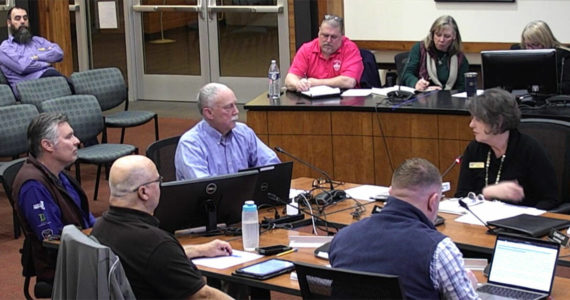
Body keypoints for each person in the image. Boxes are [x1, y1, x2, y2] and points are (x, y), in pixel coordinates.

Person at [329, 158, 478, 299]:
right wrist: (470, 286)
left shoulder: (342, 237)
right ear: (433, 201)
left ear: (390, 193)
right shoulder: (439, 249)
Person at [91, 155, 232, 299]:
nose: (160, 186)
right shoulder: (155, 243)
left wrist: (199, 250)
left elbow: (144, 257)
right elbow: (203, 296)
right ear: (144, 192)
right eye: (158, 181)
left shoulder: (100, 227)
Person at [12, 113, 96, 285]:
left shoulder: (59, 174)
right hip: (62, 267)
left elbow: (86, 219)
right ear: (47, 145)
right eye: (69, 137)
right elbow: (53, 240)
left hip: (84, 251)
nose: (77, 141)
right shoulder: (33, 186)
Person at [455, 88, 559, 209]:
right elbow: (461, 196)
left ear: (498, 121)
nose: (471, 124)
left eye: (477, 119)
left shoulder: (529, 150)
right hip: (478, 221)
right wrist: (488, 193)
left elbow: (550, 200)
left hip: (523, 222)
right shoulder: (474, 149)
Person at [175, 82, 280, 180]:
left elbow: (272, 164)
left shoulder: (243, 132)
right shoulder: (190, 144)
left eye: (235, 105)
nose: (236, 111)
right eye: (229, 107)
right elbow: (204, 188)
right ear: (209, 113)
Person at [284, 14, 363, 92]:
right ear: (319, 33)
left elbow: (349, 82)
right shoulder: (307, 49)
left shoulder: (350, 49)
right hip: (313, 101)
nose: (328, 40)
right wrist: (298, 84)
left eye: (333, 37)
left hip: (344, 100)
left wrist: (315, 83)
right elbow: (289, 79)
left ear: (342, 37)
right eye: (325, 35)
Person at [0, 6, 65, 95]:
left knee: (74, 85)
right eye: (17, 18)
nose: (22, 21)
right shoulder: (5, 47)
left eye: (25, 18)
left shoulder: (37, 41)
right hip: (28, 88)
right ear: (9, 23)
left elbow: (59, 53)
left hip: (50, 79)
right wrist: (47, 63)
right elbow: (23, 67)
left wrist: (37, 57)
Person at [401, 15, 469, 92]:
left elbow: (463, 86)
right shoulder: (420, 49)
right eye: (438, 35)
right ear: (432, 34)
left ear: (454, 36)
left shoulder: (459, 57)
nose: (441, 40)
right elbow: (406, 74)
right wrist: (416, 83)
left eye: (447, 36)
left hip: (449, 99)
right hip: (423, 97)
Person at [517, 20, 570, 94]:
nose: (530, 49)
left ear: (546, 41)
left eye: (535, 44)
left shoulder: (565, 56)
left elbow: (567, 86)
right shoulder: (520, 54)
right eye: (528, 45)